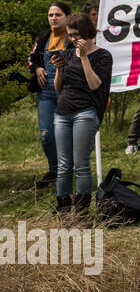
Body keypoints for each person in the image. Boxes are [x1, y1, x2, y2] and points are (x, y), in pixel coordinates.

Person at [51, 12, 113, 213]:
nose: (73, 39)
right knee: (63, 166)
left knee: (81, 164)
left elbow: (95, 85)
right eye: (70, 35)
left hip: (85, 112)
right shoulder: (68, 54)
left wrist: (84, 57)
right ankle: (63, 210)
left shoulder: (103, 55)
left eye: (76, 34)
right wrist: (60, 68)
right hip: (63, 112)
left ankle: (81, 211)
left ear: (87, 33)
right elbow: (59, 88)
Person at [27, 0, 72, 187]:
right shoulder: (44, 36)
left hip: (67, 91)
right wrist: (37, 68)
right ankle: (54, 171)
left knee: (65, 134)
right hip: (45, 91)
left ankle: (67, 171)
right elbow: (31, 57)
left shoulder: (73, 35)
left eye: (58, 14)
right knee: (47, 134)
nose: (53, 18)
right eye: (50, 15)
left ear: (67, 17)